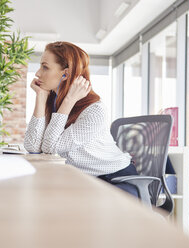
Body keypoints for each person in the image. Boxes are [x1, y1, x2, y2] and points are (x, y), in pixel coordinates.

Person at [24, 41, 138, 197]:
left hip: (116, 179)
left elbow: (51, 148)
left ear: (65, 74)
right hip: (85, 179)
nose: (37, 73)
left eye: (45, 67)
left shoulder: (95, 111)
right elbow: (32, 147)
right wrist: (40, 98)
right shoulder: (54, 102)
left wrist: (69, 101)